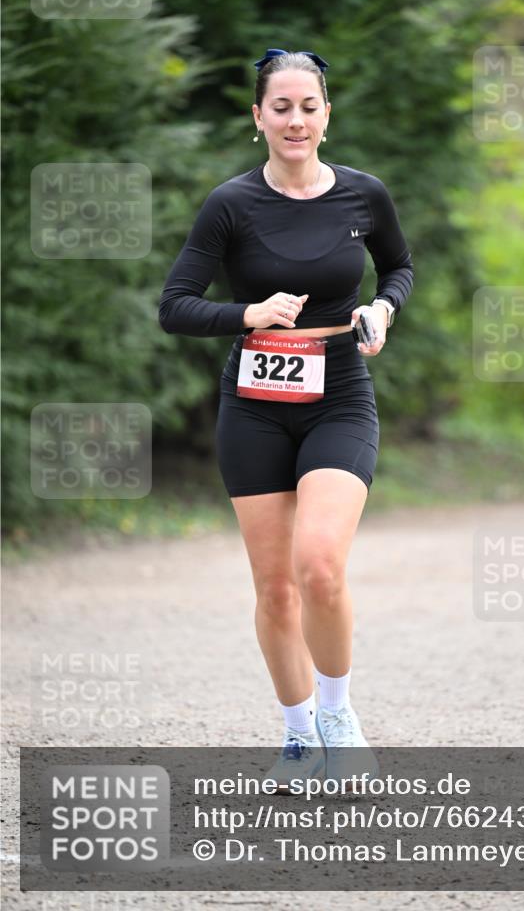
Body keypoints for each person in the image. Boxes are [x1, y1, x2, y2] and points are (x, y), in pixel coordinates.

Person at [158, 47, 414, 792]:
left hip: (338, 395)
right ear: (258, 117)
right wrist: (249, 313)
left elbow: (399, 267)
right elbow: (175, 305)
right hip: (255, 407)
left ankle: (338, 718)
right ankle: (298, 735)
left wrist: (382, 308)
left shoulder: (364, 195)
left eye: (308, 107)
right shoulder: (230, 204)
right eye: (281, 107)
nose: (295, 120)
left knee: (320, 565)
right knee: (275, 589)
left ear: (326, 115)